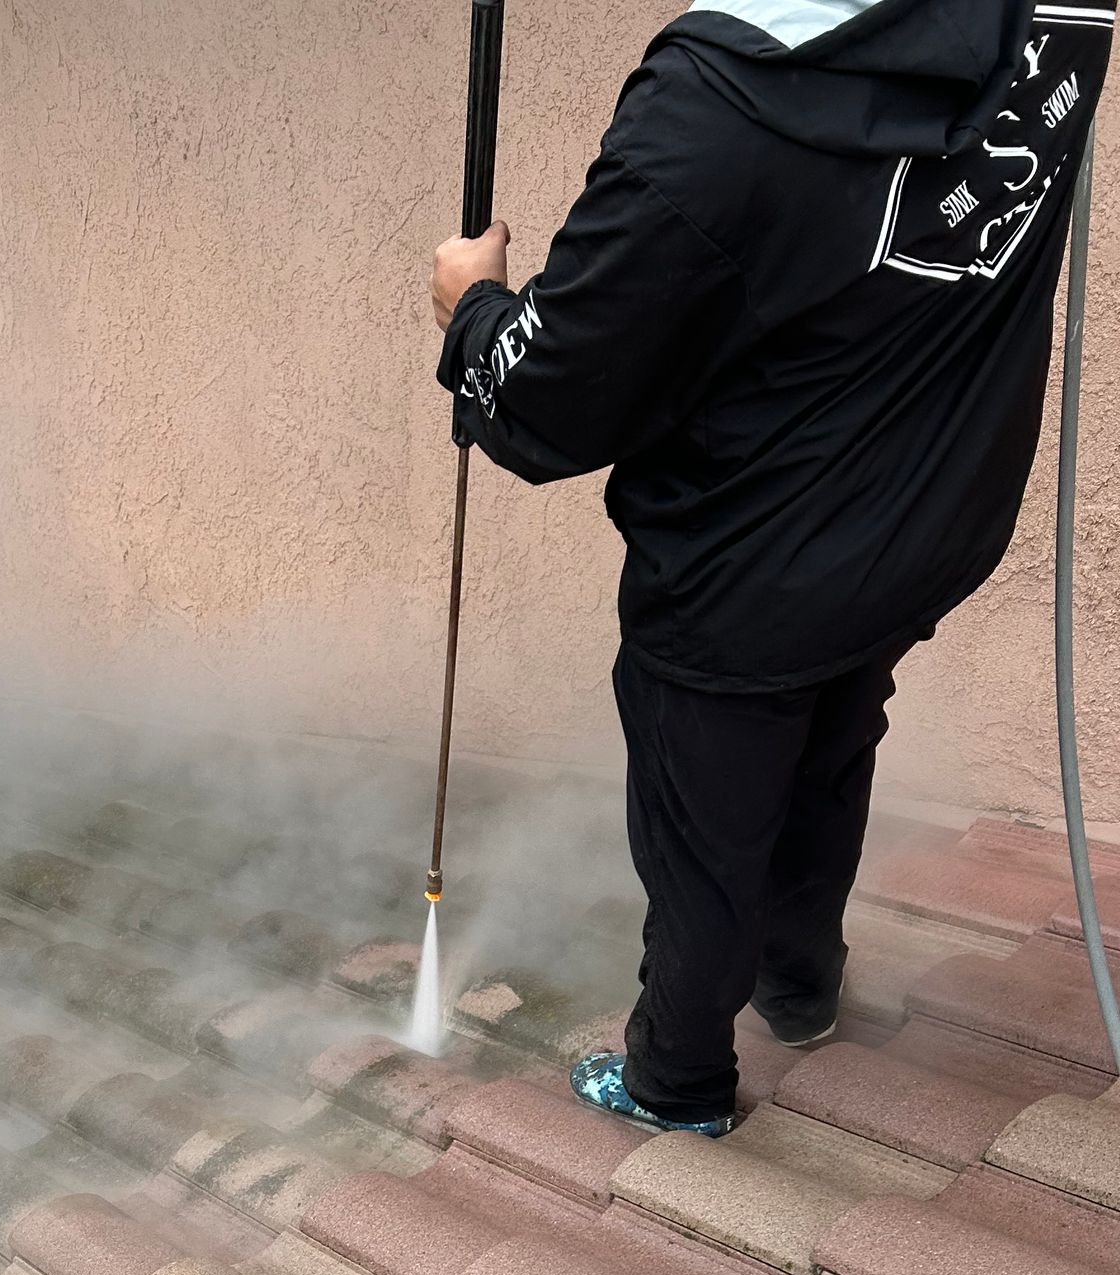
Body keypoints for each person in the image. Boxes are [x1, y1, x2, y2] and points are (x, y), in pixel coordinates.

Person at [432, 0, 1113, 1137]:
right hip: (924, 521)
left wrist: (473, 310)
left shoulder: (714, 107)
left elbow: (553, 398)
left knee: (707, 820)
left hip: (747, 563)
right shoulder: (1057, 18)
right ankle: (798, 988)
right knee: (833, 733)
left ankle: (678, 1079)